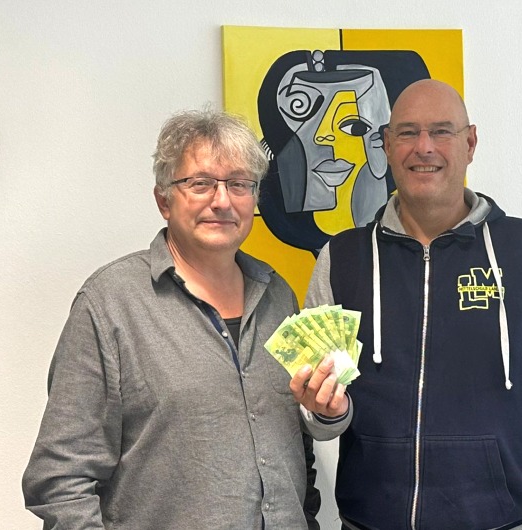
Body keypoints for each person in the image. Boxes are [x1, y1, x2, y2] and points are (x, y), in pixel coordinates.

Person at [303, 80, 522, 529]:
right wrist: (324, 411)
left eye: (441, 131)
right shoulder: (341, 259)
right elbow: (320, 421)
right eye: (408, 132)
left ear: (470, 143)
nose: (424, 147)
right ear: (387, 146)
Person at [22, 108, 350, 529]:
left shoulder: (278, 297)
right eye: (200, 184)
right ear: (164, 200)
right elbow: (60, 481)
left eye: (239, 184)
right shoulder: (110, 304)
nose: (222, 201)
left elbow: (295, 450)